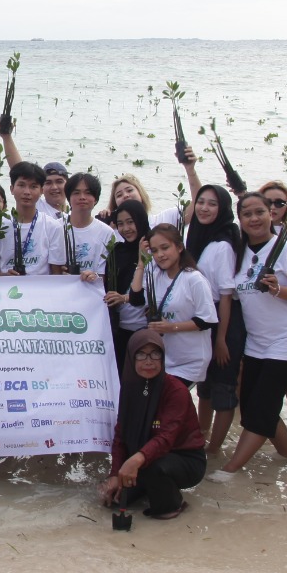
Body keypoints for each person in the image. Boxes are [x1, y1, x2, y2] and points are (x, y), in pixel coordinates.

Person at [216, 193, 287, 476]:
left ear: (270, 214)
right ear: (240, 219)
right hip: (256, 343)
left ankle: (231, 469)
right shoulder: (239, 253)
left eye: (259, 212)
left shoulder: (286, 250)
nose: (254, 218)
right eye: (247, 214)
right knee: (251, 409)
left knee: (262, 409)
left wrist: (279, 290)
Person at [99, 330, 206, 520]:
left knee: (154, 470)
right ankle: (146, 486)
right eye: (141, 355)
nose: (148, 361)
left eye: (155, 354)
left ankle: (173, 504)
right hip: (144, 458)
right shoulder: (129, 388)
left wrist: (134, 461)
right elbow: (121, 435)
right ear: (131, 358)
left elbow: (166, 438)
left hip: (184, 459)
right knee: (114, 500)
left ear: (163, 357)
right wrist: (115, 474)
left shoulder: (176, 390)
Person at [183, 184, 241, 447]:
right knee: (204, 388)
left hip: (222, 320)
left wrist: (221, 340)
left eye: (212, 204)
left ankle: (215, 449)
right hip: (204, 318)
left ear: (223, 209)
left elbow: (226, 296)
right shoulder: (198, 236)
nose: (204, 208)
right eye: (201, 202)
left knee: (224, 389)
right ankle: (200, 438)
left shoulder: (222, 245)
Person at [134, 225, 217, 390]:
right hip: (164, 358)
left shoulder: (194, 279)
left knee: (171, 399)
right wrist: (141, 263)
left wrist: (172, 327)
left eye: (165, 248)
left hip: (190, 360)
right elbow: (135, 298)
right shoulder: (156, 276)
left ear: (179, 247)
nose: (160, 255)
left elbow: (207, 320)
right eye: (154, 250)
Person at [0, 162, 66, 276]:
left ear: (41, 191)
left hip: (40, 286)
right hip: (7, 285)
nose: (27, 192)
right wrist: (6, 276)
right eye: (21, 185)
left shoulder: (52, 226)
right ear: (12, 189)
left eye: (33, 186)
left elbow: (56, 274)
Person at [103, 200, 151, 361]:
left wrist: (124, 298)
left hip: (146, 329)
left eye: (131, 222)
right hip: (118, 327)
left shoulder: (155, 251)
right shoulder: (117, 251)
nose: (126, 229)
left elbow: (158, 290)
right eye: (120, 224)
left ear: (141, 219)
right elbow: (106, 286)